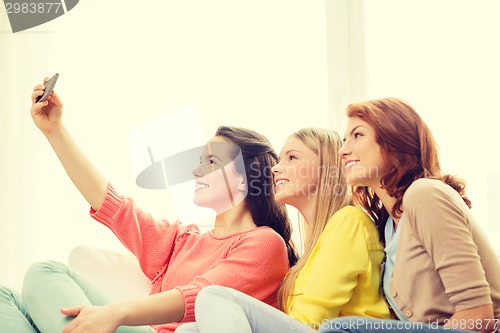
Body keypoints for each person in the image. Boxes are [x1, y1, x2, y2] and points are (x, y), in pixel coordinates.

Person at [0, 79, 299, 333]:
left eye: (212, 162)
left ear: (245, 180)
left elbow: (203, 295)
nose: (196, 171)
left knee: (46, 271)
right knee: (4, 297)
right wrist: (55, 130)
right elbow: (113, 206)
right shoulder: (183, 241)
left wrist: (117, 312)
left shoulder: (265, 244)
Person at [176, 127, 391, 333]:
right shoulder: (317, 242)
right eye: (279, 160)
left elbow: (310, 322)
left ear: (325, 167)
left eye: (292, 158)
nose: (275, 168)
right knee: (189, 329)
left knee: (214, 296)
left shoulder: (348, 222)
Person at [317, 97, 500, 333]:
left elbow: (478, 317)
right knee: (251, 311)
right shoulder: (388, 226)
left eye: (357, 135)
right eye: (344, 140)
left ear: (394, 139)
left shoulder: (425, 194)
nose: (343, 150)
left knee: (342, 330)